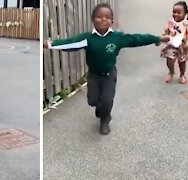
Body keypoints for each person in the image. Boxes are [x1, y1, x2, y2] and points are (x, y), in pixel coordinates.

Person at [43, 3, 170, 135]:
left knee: (107, 100)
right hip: (94, 75)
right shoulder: (88, 38)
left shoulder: (117, 38)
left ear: (112, 21)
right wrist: (50, 44)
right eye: (99, 17)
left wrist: (158, 38)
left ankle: (105, 120)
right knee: (92, 100)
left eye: (107, 17)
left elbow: (136, 39)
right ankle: (100, 107)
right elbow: (70, 43)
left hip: (109, 75)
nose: (103, 19)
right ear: (93, 20)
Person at [160, 1, 188, 84]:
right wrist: (161, 38)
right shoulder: (171, 22)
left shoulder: (187, 25)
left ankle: (182, 75)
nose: (175, 14)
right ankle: (171, 72)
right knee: (169, 60)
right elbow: (167, 31)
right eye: (174, 12)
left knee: (182, 62)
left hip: (182, 46)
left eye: (179, 13)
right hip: (171, 45)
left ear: (185, 14)